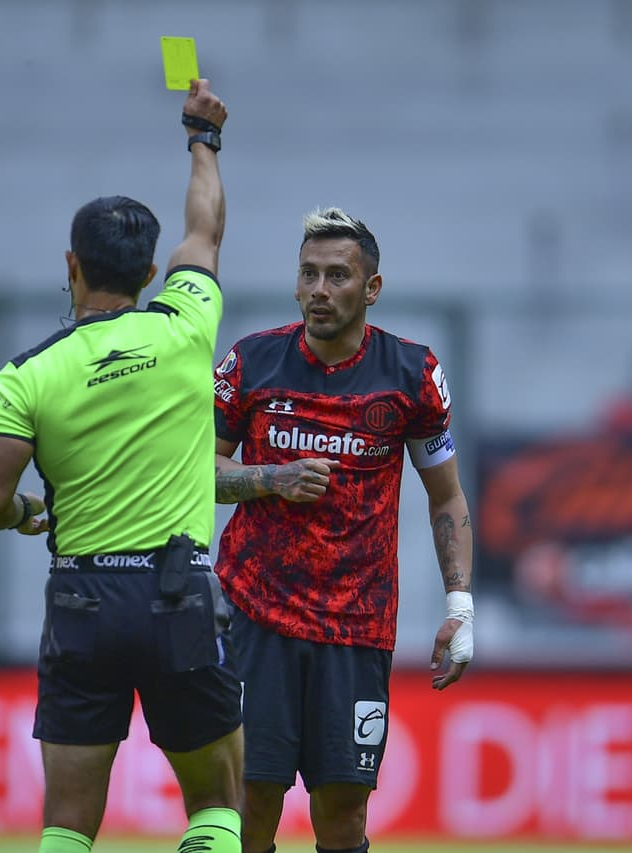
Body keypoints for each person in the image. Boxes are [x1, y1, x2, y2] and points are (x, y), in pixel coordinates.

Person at [0, 79, 245, 853]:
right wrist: (203, 138)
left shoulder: (25, 374)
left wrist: (25, 514)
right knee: (219, 804)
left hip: (84, 599)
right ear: (153, 273)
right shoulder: (187, 324)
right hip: (176, 592)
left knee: (67, 825)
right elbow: (206, 229)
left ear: (72, 265)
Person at [210, 207, 474, 853]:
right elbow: (198, 475)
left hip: (357, 626)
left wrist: (459, 606)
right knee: (250, 803)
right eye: (309, 274)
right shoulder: (251, 363)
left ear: (371, 288)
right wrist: (271, 477)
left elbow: (446, 496)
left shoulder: (412, 375)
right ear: (295, 284)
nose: (320, 289)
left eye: (337, 275)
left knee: (343, 815)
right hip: (257, 615)